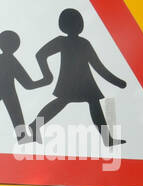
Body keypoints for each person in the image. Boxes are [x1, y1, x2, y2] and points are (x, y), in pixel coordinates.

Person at [29, 8, 127, 148]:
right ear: (65, 26)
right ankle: (33, 126)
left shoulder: (83, 43)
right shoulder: (62, 41)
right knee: (64, 102)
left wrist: (117, 81)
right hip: (72, 81)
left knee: (87, 103)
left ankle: (107, 139)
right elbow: (40, 55)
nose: (79, 25)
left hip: (84, 81)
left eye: (80, 22)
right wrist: (47, 74)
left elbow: (98, 66)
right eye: (76, 22)